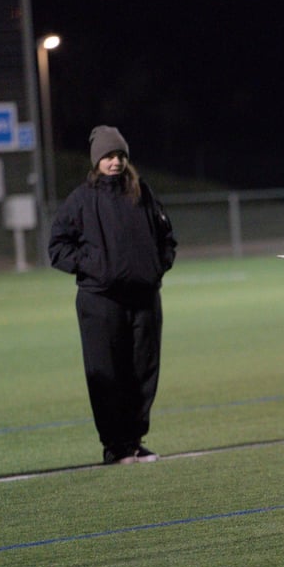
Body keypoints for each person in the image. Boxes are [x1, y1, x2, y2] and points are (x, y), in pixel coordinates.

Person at [49, 126, 177, 465]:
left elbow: (167, 237)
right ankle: (114, 446)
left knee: (143, 372)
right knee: (108, 374)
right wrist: (95, 268)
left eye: (119, 155)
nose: (115, 161)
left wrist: (157, 267)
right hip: (100, 301)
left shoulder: (142, 193)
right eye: (108, 156)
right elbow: (57, 247)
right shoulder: (81, 200)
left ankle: (134, 442)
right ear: (96, 161)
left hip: (145, 298)